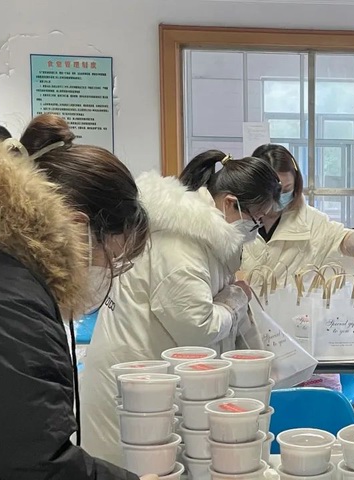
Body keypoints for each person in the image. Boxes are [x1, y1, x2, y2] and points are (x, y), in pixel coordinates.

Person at [0, 115, 154, 479]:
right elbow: (28, 464)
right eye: (111, 259)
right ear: (77, 227)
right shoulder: (8, 302)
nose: (106, 274)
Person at [80, 150, 281, 466]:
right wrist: (234, 302)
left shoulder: (206, 238)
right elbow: (197, 329)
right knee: (131, 467)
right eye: (257, 219)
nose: (257, 230)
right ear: (230, 203)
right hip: (133, 385)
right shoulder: (180, 245)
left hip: (155, 382)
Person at [242, 144, 354, 281]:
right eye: (273, 191)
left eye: (286, 189)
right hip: (240, 301)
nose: (279, 197)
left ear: (296, 183)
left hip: (292, 302)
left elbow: (343, 237)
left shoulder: (310, 220)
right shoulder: (236, 219)